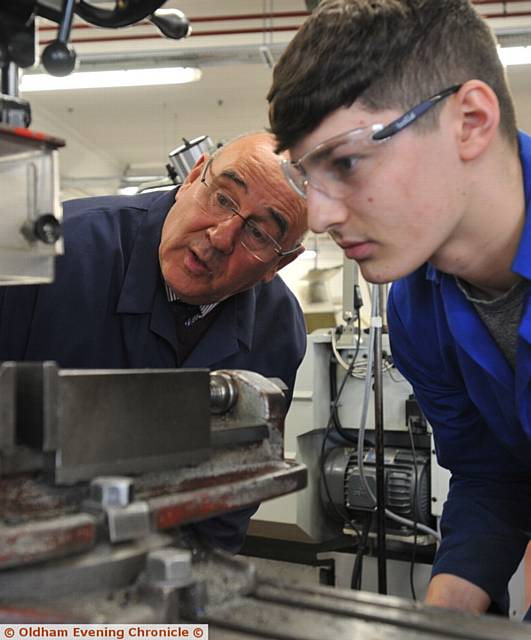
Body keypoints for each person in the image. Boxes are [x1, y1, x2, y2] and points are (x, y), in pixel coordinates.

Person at [267, 0, 531, 619]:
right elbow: (495, 477)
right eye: (309, 178)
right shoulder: (416, 309)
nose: (322, 217)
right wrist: (438, 623)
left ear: (469, 121)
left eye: (348, 161)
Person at [0, 131, 307, 552]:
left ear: (281, 261)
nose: (221, 236)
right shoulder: (50, 258)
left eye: (259, 233)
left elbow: (232, 489)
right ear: (193, 177)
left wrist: (196, 588)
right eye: (222, 198)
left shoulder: (277, 327)